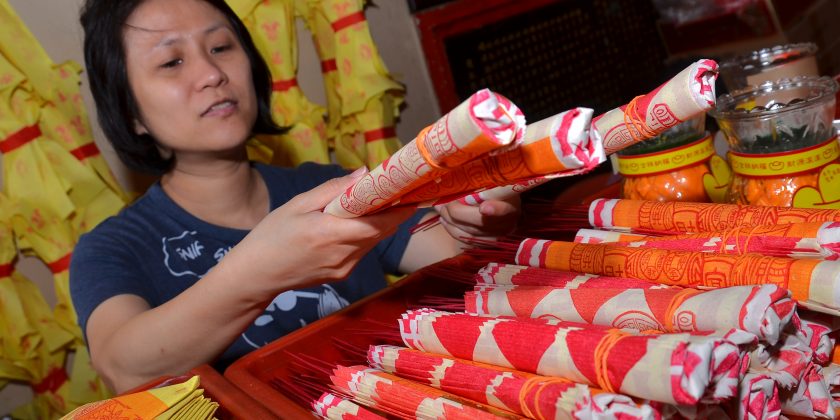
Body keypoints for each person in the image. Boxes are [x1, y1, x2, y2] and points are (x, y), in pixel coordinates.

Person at [70, 0, 520, 393]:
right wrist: (261, 270)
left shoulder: (325, 186)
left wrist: (480, 218)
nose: (211, 74)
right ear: (130, 113)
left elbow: (456, 255)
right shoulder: (112, 248)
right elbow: (125, 368)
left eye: (221, 47)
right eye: (172, 61)